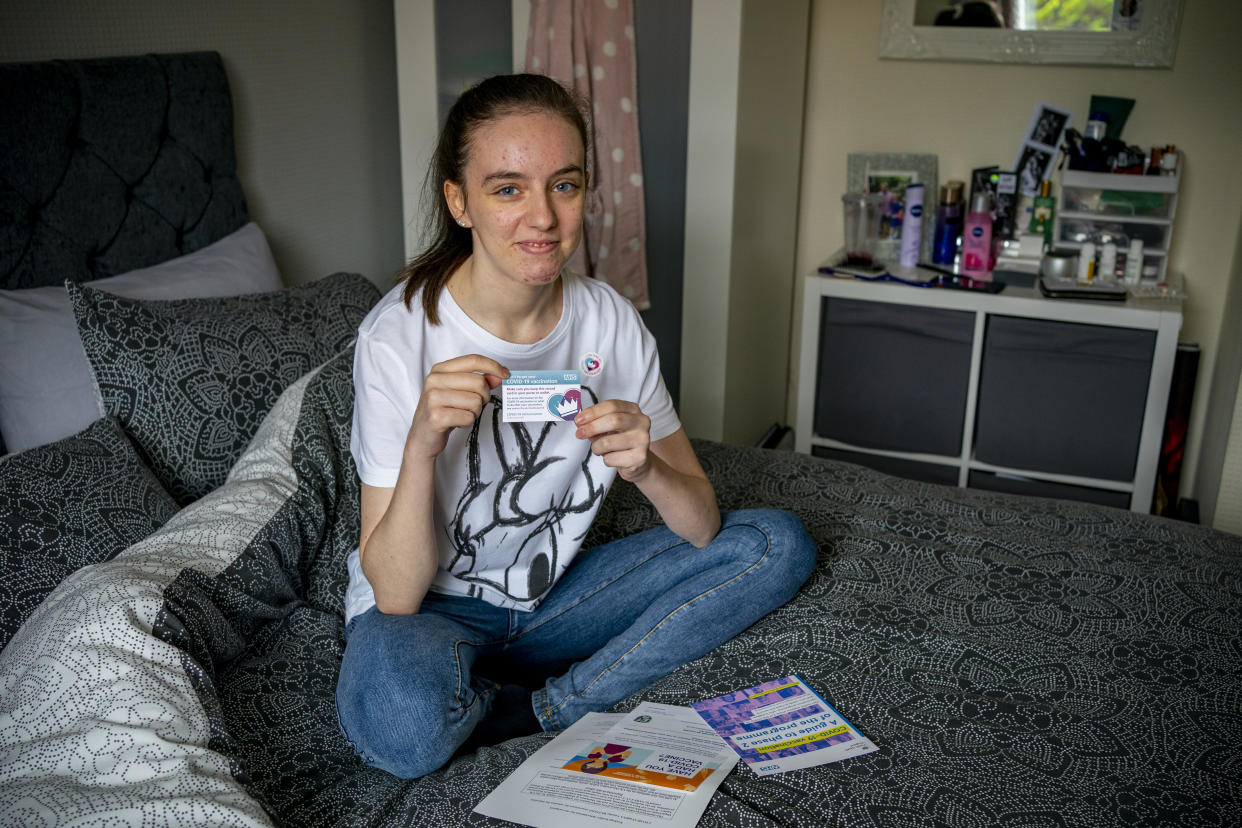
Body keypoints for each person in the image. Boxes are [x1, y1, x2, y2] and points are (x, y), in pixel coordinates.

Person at [334, 73, 818, 779]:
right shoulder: (397, 337)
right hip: (427, 612)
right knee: (403, 729)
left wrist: (647, 465)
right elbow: (396, 594)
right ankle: (500, 692)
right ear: (458, 201)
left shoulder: (610, 323)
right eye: (508, 189)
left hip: (552, 600)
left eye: (563, 185)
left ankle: (543, 710)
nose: (542, 219)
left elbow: (703, 527)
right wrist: (421, 447)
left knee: (777, 544)